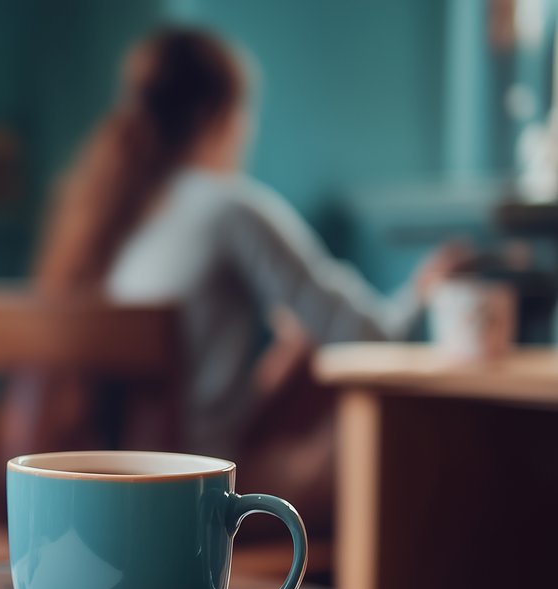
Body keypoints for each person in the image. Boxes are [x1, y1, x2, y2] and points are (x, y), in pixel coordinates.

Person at [23, 27, 462, 531]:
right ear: (221, 115)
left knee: (300, 359)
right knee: (396, 430)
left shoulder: (114, 216)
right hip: (202, 492)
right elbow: (373, 337)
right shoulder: (230, 210)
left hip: (118, 496)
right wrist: (424, 292)